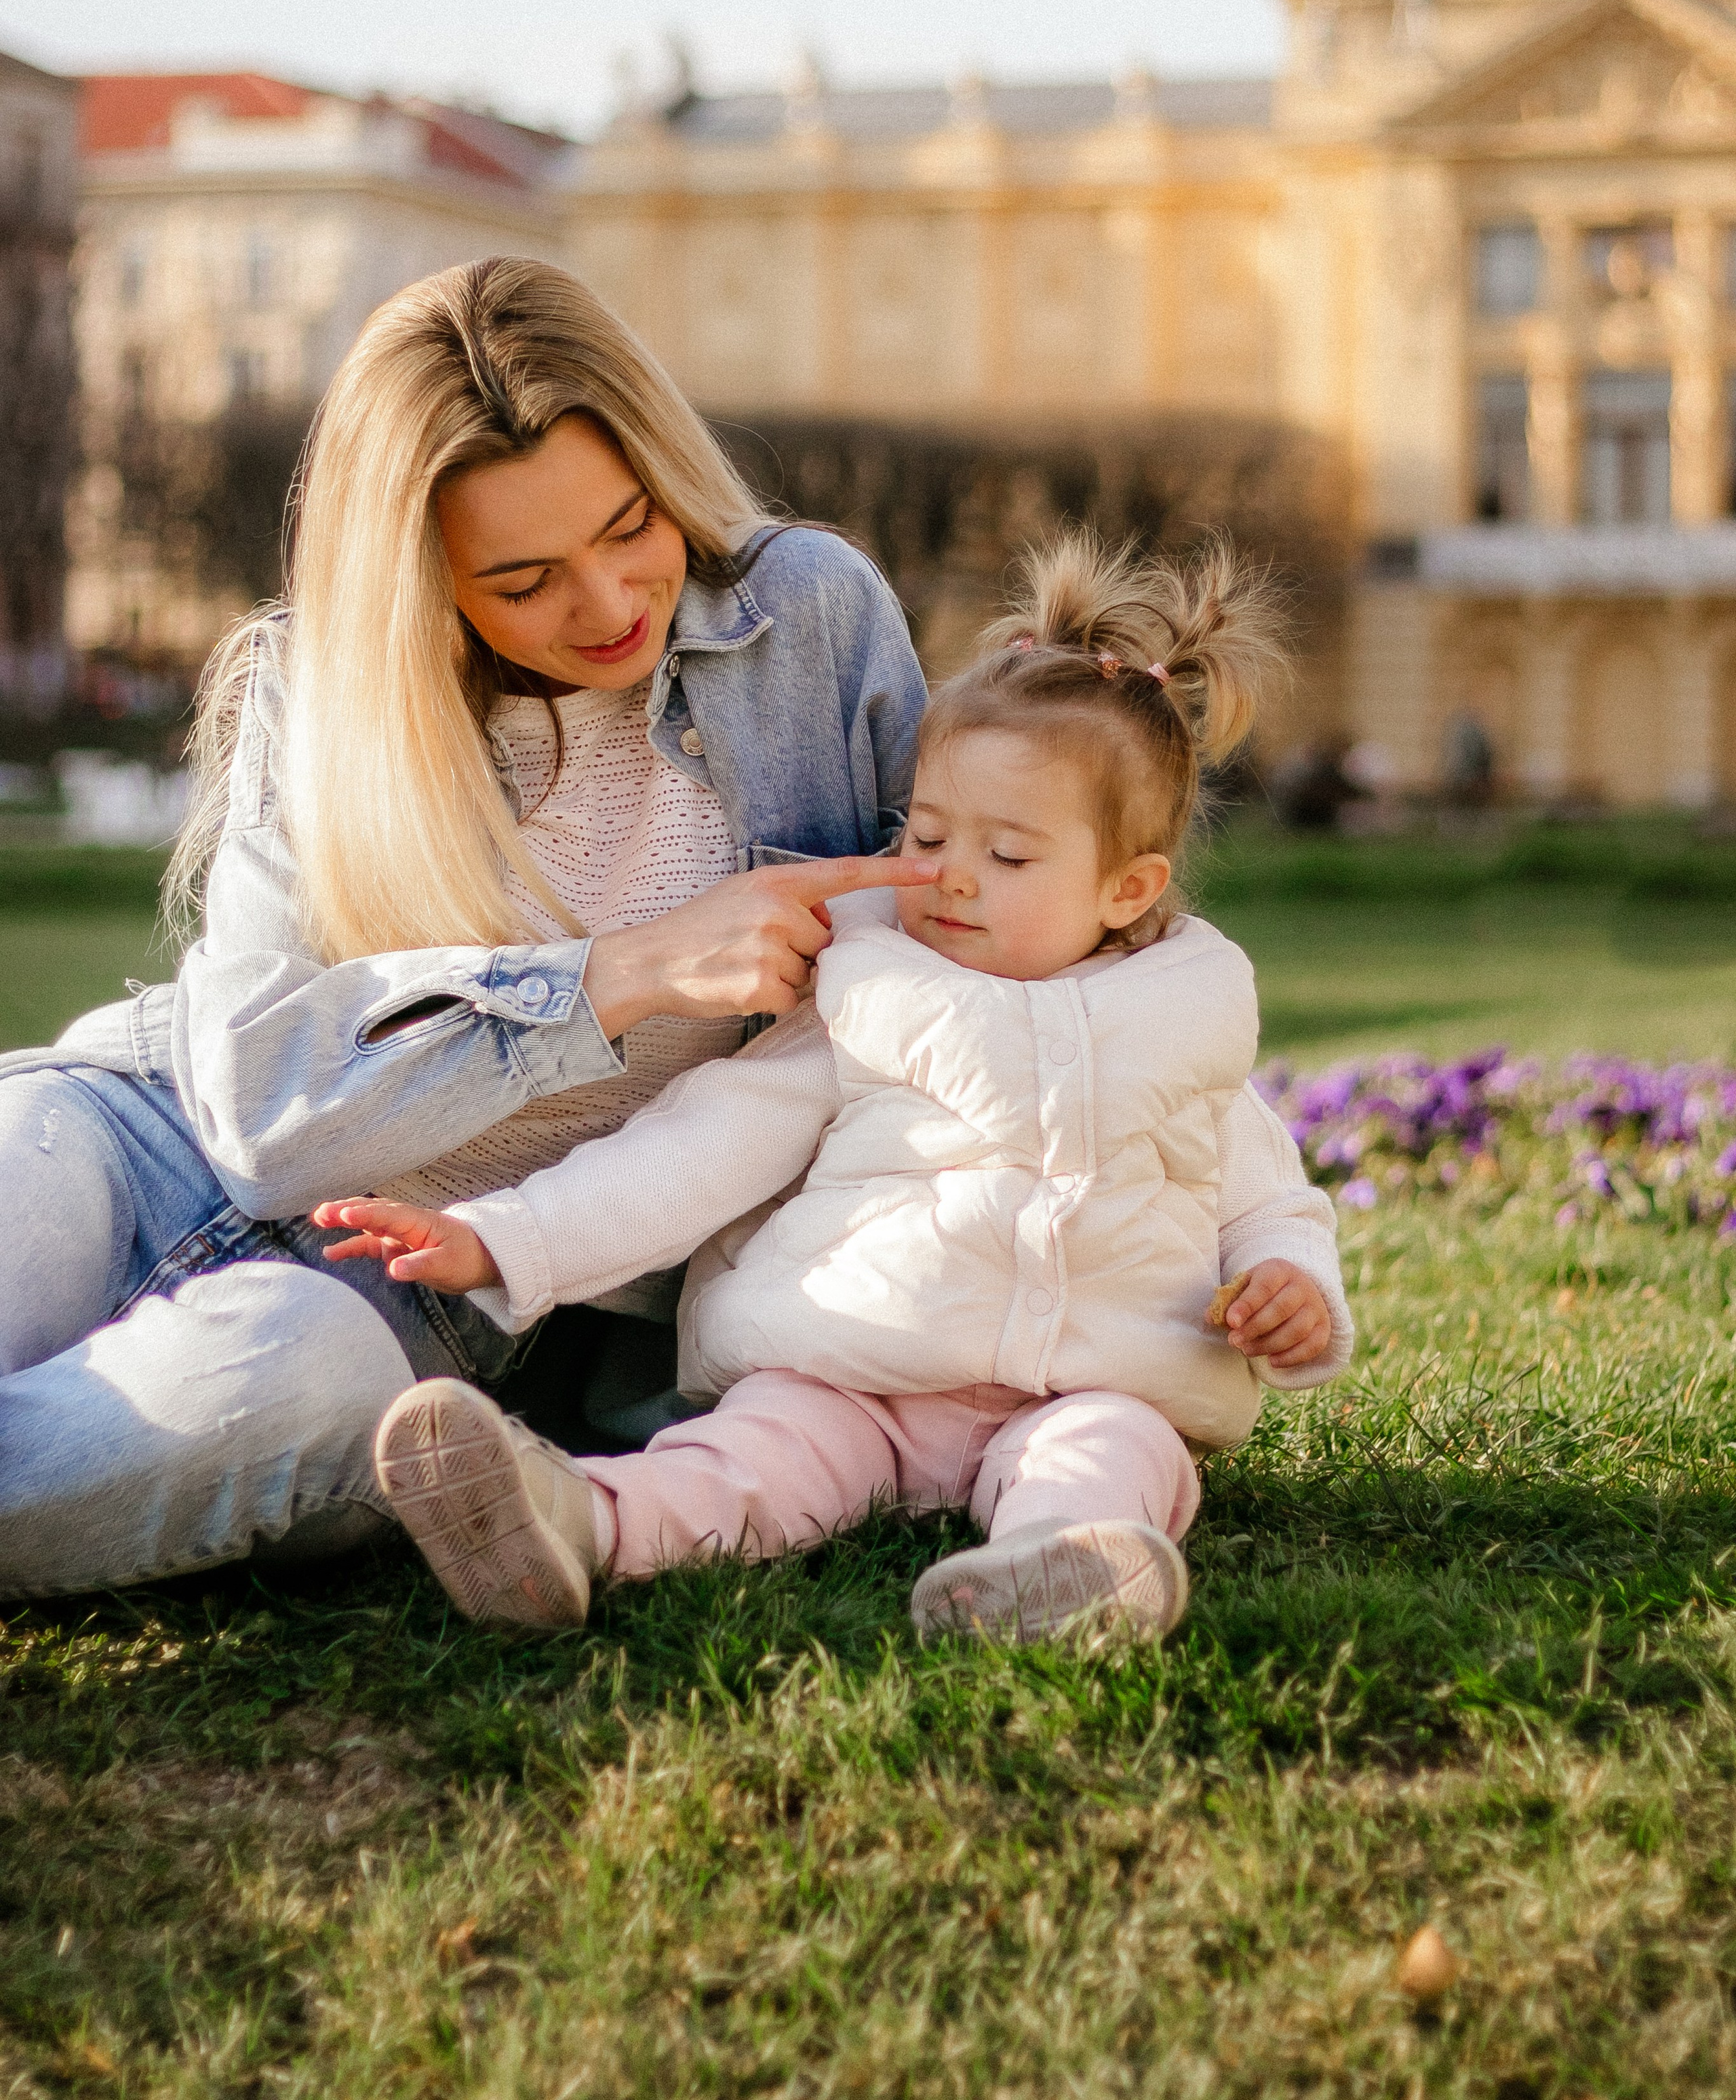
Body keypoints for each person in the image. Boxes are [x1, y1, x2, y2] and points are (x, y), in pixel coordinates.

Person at [0, 257, 934, 1598]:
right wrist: (614, 978)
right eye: (523, 579)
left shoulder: (813, 621)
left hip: (419, 1301)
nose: (608, 604)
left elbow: (978, 941)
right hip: (130, 1135)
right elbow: (260, 1118)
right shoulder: (320, 680)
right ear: (421, 585)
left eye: (631, 525)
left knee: (284, 1376)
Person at [318, 533, 1354, 1645]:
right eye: (928, 833)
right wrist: (502, 1241)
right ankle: (582, 1521)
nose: (952, 876)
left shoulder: (1183, 1023)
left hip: (1092, 1382)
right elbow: (697, 1147)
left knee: (1117, 1454)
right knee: (751, 1459)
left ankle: (1061, 1565)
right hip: (854, 1367)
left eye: (1009, 857)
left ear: (1128, 888)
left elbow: (1266, 1199)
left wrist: (1292, 1285)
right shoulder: (865, 991)